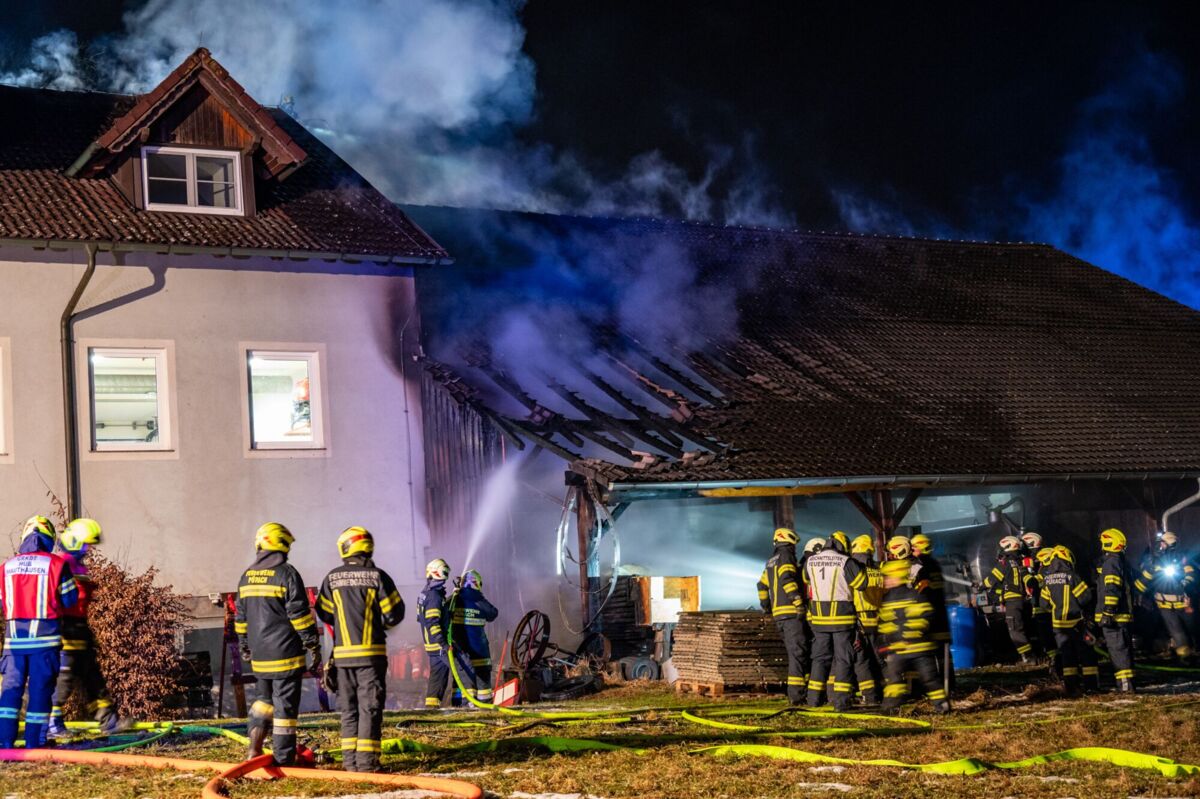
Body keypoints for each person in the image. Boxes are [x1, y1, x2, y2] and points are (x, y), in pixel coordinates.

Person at [316, 526, 403, 772]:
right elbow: (395, 614)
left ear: (345, 547)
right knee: (370, 708)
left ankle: (350, 763)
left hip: (343, 658)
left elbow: (324, 612)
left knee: (349, 709)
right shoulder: (378, 577)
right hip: (371, 657)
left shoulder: (332, 578)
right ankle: (367, 764)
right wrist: (376, 623)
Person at [235, 522, 320, 766]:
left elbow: (240, 617)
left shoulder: (246, 576)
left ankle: (254, 750)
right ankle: (284, 759)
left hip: (260, 655)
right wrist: (312, 644)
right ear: (280, 545)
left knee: (263, 701)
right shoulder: (287, 573)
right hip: (286, 654)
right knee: (284, 709)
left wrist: (244, 644)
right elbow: (299, 615)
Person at [0, 516, 78, 749]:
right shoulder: (57, 565)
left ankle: (4, 743)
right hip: (44, 645)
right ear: (50, 538)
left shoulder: (6, 567)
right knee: (40, 693)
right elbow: (70, 599)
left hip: (13, 646)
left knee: (10, 693)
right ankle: (34, 744)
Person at [47, 519, 129, 739]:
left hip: (80, 629)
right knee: (64, 678)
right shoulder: (62, 564)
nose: (88, 550)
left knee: (93, 678)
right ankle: (51, 724)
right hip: (66, 630)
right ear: (73, 541)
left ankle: (109, 721)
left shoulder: (76, 565)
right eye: (85, 545)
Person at [803, 531, 866, 711]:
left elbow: (806, 579)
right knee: (843, 659)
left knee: (819, 659)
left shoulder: (810, 561)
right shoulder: (846, 561)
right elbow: (862, 584)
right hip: (842, 619)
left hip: (819, 620)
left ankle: (813, 700)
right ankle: (842, 702)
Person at [878, 558, 950, 714]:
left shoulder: (900, 598)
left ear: (897, 576)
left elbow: (925, 617)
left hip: (912, 648)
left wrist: (895, 640)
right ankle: (890, 708)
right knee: (918, 679)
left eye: (888, 577)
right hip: (910, 648)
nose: (886, 581)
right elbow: (885, 624)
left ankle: (891, 708)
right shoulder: (912, 595)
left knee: (909, 679)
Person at [758, 528, 808, 703]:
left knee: (794, 654)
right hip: (791, 613)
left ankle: (799, 693)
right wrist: (798, 602)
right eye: (794, 544)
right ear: (789, 541)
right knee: (798, 654)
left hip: (779, 615)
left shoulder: (771, 561)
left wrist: (767, 607)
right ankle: (797, 696)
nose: (795, 548)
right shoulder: (787, 556)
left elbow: (761, 585)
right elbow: (787, 579)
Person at [1039, 545, 1093, 697]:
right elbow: (1085, 598)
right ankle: (1091, 686)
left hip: (1059, 626)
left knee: (1067, 656)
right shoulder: (1072, 577)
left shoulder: (1047, 579)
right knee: (1086, 654)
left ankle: (1071, 687)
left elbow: (1044, 604)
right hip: (1076, 624)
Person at [1134, 532, 1195, 659]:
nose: (1160, 546)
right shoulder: (1156, 560)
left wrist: (1186, 582)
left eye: (1162, 543)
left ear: (1169, 543)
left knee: (1192, 628)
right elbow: (1145, 579)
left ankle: (1194, 651)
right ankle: (1185, 657)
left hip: (1183, 603)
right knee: (1176, 631)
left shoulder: (1181, 558)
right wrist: (1135, 592)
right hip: (1164, 606)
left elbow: (1191, 574)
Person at [982, 535, 1036, 663]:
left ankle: (1029, 657)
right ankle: (1032, 655)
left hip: (1013, 602)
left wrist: (980, 586)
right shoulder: (1020, 562)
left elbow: (991, 580)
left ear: (1008, 547)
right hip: (1023, 601)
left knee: (1015, 631)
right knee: (1023, 628)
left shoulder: (1005, 562)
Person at [450, 569, 499, 703]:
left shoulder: (454, 599)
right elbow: (493, 613)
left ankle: (459, 704)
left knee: (460, 679)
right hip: (479, 650)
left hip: (459, 651)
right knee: (483, 678)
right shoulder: (479, 600)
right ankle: (484, 705)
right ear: (476, 583)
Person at [1096, 528, 1135, 692]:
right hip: (1121, 615)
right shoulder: (1119, 561)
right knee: (1123, 650)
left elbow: (1112, 588)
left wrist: (1108, 611)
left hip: (1114, 616)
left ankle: (1125, 686)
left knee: (1118, 651)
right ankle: (1127, 684)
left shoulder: (1111, 562)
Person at [911, 533, 952, 687]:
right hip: (940, 615)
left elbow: (920, 591)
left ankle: (932, 686)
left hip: (929, 616)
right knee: (943, 653)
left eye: (913, 548)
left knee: (926, 653)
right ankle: (949, 685)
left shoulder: (921, 567)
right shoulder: (934, 564)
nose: (912, 551)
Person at [849, 534, 883, 705]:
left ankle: (869, 696)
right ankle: (885, 692)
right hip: (878, 621)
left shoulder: (855, 572)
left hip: (860, 622)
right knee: (879, 659)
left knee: (862, 661)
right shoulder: (879, 570)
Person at [419, 558, 452, 708]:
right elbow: (433, 622)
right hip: (439, 645)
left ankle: (431, 708)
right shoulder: (434, 596)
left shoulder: (426, 593)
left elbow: (423, 618)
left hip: (432, 645)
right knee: (463, 670)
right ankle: (467, 703)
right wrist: (444, 644)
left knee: (438, 677)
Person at [1031, 546, 1061, 674]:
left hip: (1043, 611)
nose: (1039, 564)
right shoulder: (1055, 570)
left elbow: (1032, 583)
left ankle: (1056, 662)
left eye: (1040, 561)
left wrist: (1024, 573)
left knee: (1047, 638)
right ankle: (1057, 660)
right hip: (1051, 610)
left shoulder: (1045, 571)